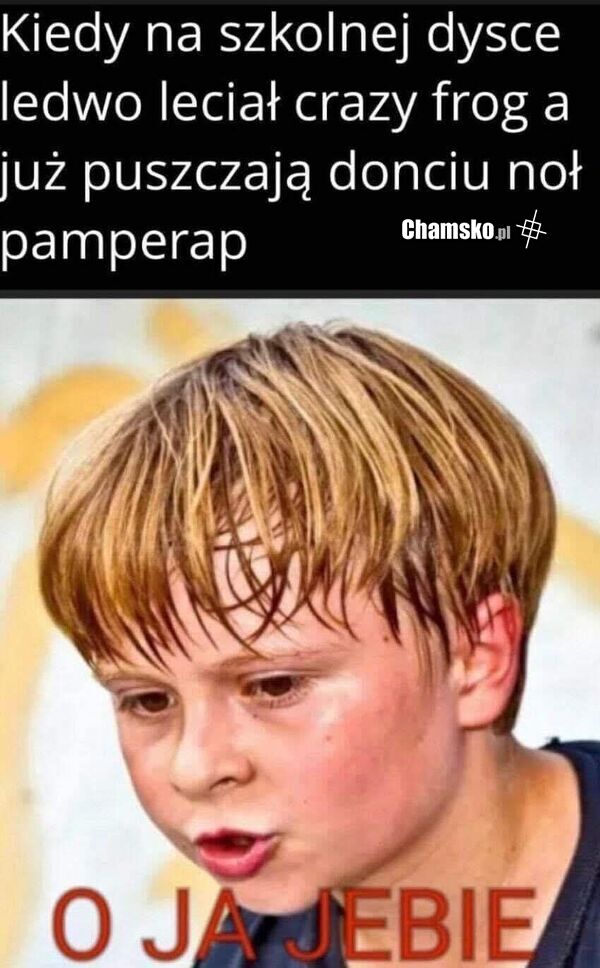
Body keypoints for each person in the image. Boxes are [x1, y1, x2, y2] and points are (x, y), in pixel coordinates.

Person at [38, 322, 600, 967]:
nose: (194, 767)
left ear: (476, 657)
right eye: (147, 700)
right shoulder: (253, 944)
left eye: (274, 686)